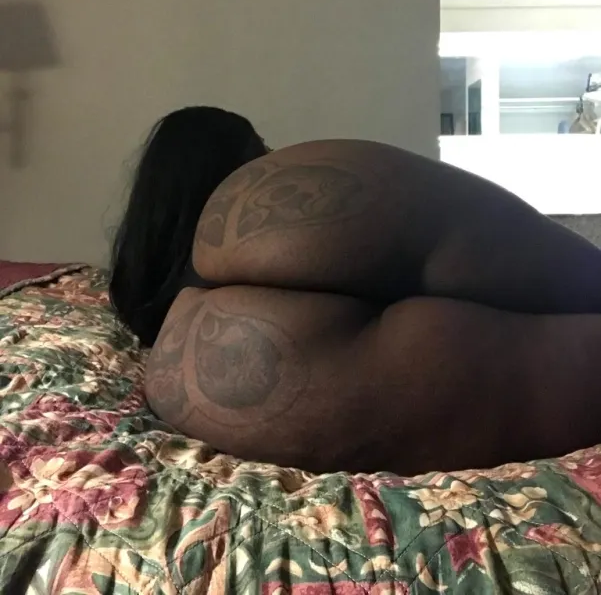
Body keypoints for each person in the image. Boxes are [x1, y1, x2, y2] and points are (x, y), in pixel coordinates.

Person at [110, 106, 601, 475]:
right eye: (261, 148)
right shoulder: (256, 195)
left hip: (202, 366)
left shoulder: (150, 298)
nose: (270, 154)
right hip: (299, 219)